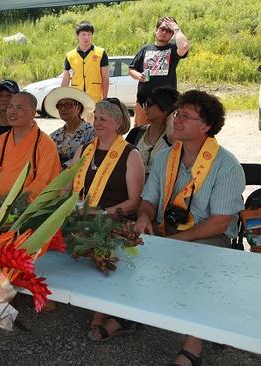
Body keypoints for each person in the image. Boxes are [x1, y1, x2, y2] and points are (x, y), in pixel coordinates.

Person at [133, 90, 244, 366]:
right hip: (165, 230)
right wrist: (144, 217)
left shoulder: (226, 166)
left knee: (198, 265)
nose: (177, 120)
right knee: (128, 245)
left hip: (208, 236)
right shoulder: (166, 156)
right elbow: (148, 200)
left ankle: (193, 344)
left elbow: (220, 222)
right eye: (177, 114)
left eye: (185, 116)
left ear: (206, 126)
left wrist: (180, 239)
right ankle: (126, 316)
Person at [69, 98, 144, 341]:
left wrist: (102, 213)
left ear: (119, 122)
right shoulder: (84, 149)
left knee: (101, 242)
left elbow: (134, 201)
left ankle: (101, 312)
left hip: (113, 216)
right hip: (81, 213)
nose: (96, 122)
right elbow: (68, 187)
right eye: (95, 117)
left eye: (103, 118)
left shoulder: (131, 154)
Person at [0, 92, 61, 209]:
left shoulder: (45, 145)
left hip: (26, 209)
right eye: (10, 106)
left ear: (33, 113)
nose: (12, 111)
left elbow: (44, 182)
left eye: (19, 107)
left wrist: (15, 203)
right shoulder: (1, 141)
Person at [129, 16, 190, 126]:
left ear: (172, 35)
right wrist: (139, 75)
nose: (164, 32)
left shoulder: (173, 49)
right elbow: (131, 69)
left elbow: (184, 46)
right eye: (162, 29)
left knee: (166, 138)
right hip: (144, 102)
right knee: (140, 136)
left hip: (166, 104)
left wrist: (176, 28)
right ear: (156, 30)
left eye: (168, 31)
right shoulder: (145, 49)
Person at [126, 86, 179, 175]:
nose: (145, 107)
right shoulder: (136, 133)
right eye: (144, 103)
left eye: (149, 103)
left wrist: (171, 118)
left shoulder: (173, 137)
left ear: (165, 106)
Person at [44, 86, 96, 168]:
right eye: (59, 105)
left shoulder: (91, 132)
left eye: (68, 104)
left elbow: (88, 157)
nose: (63, 108)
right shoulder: (55, 135)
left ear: (78, 108)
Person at [60, 21, 109, 103]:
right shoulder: (70, 55)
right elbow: (65, 79)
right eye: (83, 34)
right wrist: (61, 97)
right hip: (76, 98)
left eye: (89, 34)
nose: (86, 37)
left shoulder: (101, 53)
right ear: (77, 35)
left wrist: (105, 98)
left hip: (95, 97)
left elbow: (105, 77)